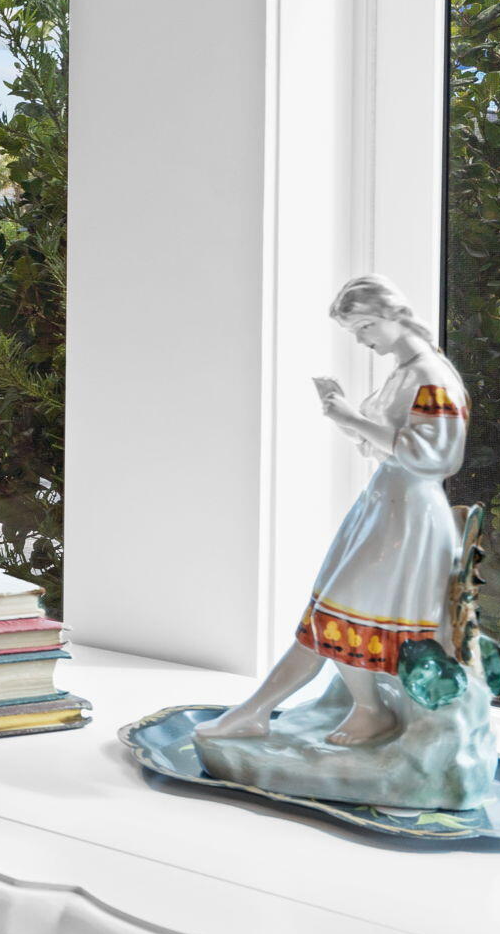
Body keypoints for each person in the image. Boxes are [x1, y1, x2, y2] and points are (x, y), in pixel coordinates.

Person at [197, 276, 469, 746]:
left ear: (393, 316)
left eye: (365, 326)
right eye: (355, 331)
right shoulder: (406, 370)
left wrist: (350, 417)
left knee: (338, 611)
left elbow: (434, 457)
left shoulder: (431, 376)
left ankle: (359, 711)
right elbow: (387, 444)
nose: (363, 339)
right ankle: (273, 710)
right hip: (387, 505)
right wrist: (344, 416)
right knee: (329, 612)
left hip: (411, 515)